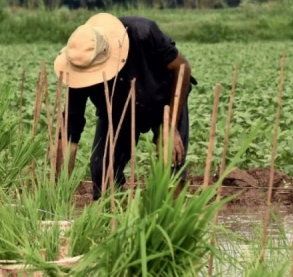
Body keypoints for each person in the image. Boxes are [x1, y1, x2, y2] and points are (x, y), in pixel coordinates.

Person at [53, 13, 196, 200]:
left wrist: (170, 126)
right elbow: (69, 136)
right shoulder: (79, 65)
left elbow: (182, 68)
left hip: (163, 102)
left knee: (171, 164)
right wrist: (58, 192)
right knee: (103, 170)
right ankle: (111, 220)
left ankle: (172, 220)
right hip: (116, 111)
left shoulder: (142, 33)